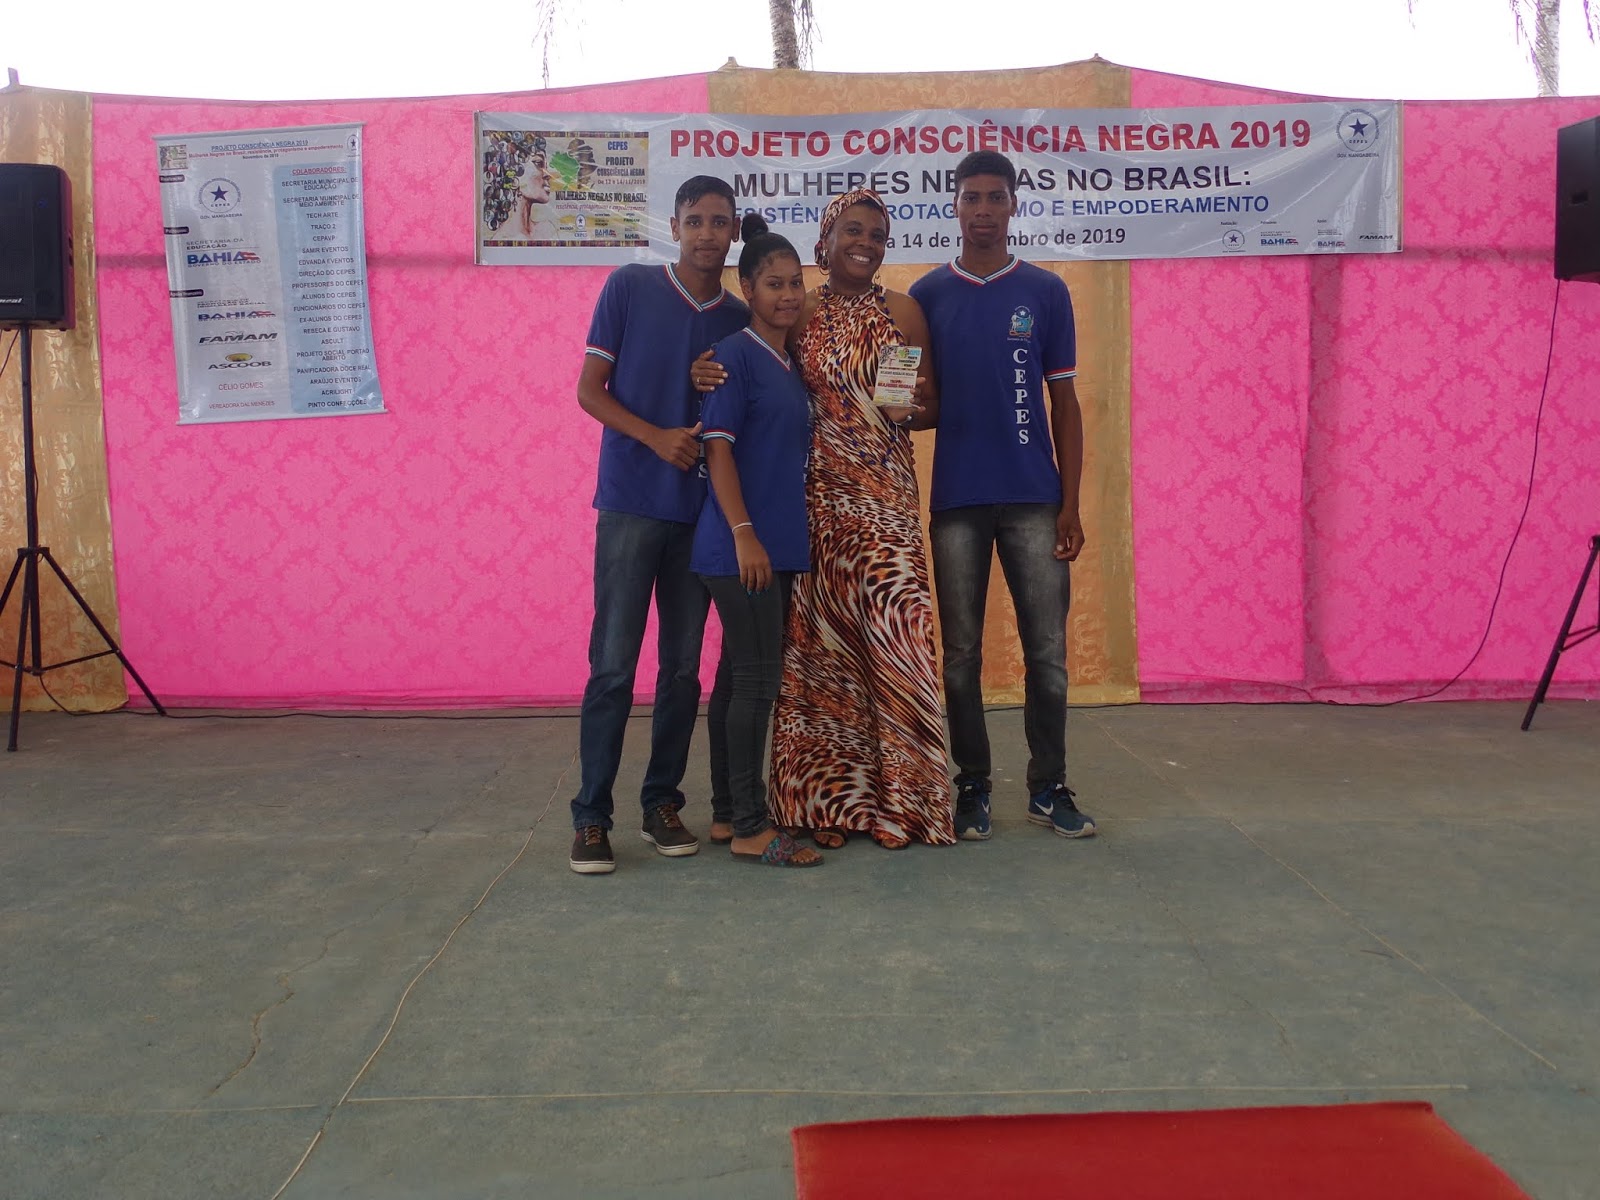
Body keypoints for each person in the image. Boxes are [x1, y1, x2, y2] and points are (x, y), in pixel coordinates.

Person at [698, 191, 952, 849]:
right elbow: (753, 369)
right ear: (826, 239)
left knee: (895, 643)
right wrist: (703, 369)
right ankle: (828, 805)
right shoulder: (800, 309)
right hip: (816, 507)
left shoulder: (904, 311)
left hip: (887, 503)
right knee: (824, 656)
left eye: (877, 234)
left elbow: (927, 406)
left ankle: (902, 805)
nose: (865, 242)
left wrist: (913, 410)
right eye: (852, 230)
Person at [909, 151, 1095, 842]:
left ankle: (1049, 786)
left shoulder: (1045, 291)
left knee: (1047, 652)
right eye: (971, 197)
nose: (983, 210)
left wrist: (1069, 503)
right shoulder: (926, 295)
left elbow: (1065, 403)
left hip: (1034, 500)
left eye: (995, 197)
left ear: (1014, 205)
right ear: (954, 206)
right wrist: (892, 409)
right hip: (956, 501)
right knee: (959, 655)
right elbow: (917, 401)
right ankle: (972, 786)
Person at [568, 175, 749, 875]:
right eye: (695, 220)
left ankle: (661, 804)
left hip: (700, 518)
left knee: (681, 671)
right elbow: (590, 392)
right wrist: (655, 437)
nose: (707, 233)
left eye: (719, 222)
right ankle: (591, 816)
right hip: (630, 505)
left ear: (734, 232)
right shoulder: (630, 288)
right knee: (613, 667)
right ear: (674, 227)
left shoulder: (739, 319)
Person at [693, 215, 823, 867]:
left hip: (776, 545)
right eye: (774, 284)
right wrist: (744, 535)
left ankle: (726, 813)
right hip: (741, 549)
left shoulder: (788, 363)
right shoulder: (733, 357)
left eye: (795, 283)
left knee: (735, 679)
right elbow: (717, 451)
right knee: (756, 683)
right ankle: (750, 826)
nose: (788, 295)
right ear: (747, 289)